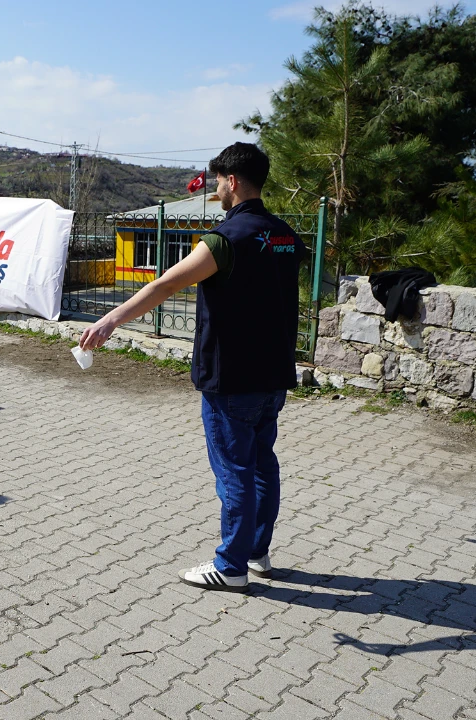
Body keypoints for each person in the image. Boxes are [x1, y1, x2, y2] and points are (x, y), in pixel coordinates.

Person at [78, 143, 307, 593]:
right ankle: (257, 553)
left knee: (235, 472)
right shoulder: (284, 235)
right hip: (273, 373)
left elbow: (165, 282)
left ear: (233, 182)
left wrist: (108, 320)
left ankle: (231, 565)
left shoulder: (226, 239)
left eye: (218, 180)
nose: (215, 188)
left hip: (233, 377)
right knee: (263, 465)